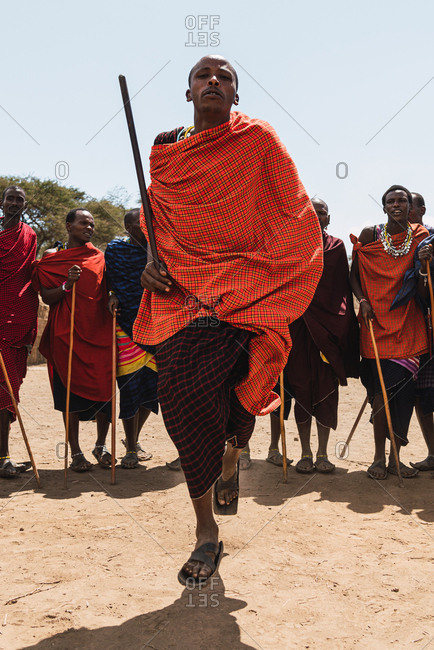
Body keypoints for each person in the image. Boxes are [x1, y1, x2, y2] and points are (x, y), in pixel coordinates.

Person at [135, 55, 323, 585]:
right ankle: (205, 531)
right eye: (202, 76)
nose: (213, 81)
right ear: (188, 92)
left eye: (225, 78)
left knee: (241, 397)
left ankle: (234, 454)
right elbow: (162, 224)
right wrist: (152, 264)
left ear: (235, 96)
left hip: (249, 289)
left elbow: (294, 212)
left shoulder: (258, 139)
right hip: (181, 298)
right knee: (184, 404)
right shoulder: (165, 153)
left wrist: (268, 273)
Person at [350, 185, 430, 479]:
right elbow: (354, 276)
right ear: (383, 207)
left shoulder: (422, 238)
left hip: (409, 327)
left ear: (410, 206)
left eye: (402, 201)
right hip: (375, 327)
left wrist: (425, 264)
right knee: (379, 397)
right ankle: (377, 458)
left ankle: (397, 457)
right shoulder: (370, 235)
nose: (397, 205)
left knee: (404, 397)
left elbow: (425, 287)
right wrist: (364, 301)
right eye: (391, 201)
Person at [275, 198, 359, 474]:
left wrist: (341, 326)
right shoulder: (289, 246)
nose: (316, 216)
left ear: (328, 217)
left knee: (326, 392)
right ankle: (305, 453)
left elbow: (341, 291)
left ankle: (323, 452)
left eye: (321, 212)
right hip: (296, 329)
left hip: (327, 330)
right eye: (311, 211)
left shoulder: (335, 247)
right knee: (301, 391)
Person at [32, 209, 117, 471]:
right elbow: (47, 297)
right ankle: (76, 452)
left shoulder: (101, 257)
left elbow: (110, 287)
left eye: (91, 224)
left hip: (99, 334)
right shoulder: (52, 258)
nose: (89, 227)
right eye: (83, 223)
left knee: (105, 394)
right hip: (66, 336)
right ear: (69, 226)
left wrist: (113, 297)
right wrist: (67, 285)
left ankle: (101, 445)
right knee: (68, 396)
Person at [105, 209, 158, 469]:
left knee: (153, 387)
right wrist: (112, 293)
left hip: (156, 325)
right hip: (125, 327)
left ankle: (133, 441)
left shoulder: (157, 249)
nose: (147, 226)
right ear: (128, 226)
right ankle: (130, 446)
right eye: (141, 223)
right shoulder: (115, 249)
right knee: (129, 387)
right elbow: (106, 279)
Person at [0, 186, 39, 478]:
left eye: (20, 200)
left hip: (19, 321)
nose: (15, 203)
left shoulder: (30, 236)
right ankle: (4, 456)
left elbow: (29, 274)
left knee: (11, 390)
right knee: (3, 392)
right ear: (2, 203)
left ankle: (4, 455)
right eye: (10, 198)